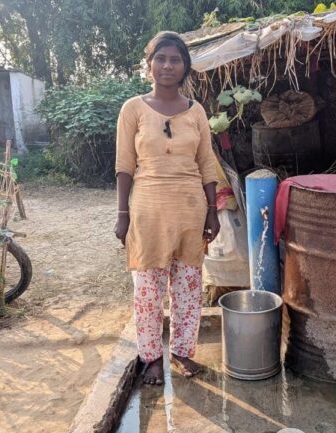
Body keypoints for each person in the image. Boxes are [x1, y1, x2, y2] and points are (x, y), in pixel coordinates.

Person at [114, 31, 220, 385]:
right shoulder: (133, 109)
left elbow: (206, 163)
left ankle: (182, 352)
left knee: (188, 288)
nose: (167, 66)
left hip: (191, 211)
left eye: (175, 59)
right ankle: (151, 359)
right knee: (148, 292)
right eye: (160, 58)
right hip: (148, 211)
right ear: (149, 65)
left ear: (185, 67)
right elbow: (124, 165)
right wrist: (122, 215)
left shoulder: (196, 111)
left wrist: (213, 210)